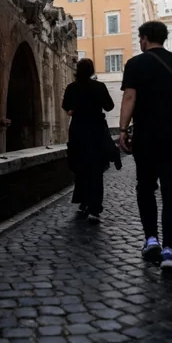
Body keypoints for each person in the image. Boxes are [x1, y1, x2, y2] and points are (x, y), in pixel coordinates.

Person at [118, 21, 172, 272]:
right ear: (163, 38)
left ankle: (151, 238)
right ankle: (169, 251)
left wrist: (123, 129)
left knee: (145, 188)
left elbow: (130, 97)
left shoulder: (135, 64)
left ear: (144, 39)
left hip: (146, 137)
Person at [63, 58, 120, 222]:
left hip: (78, 131)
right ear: (92, 71)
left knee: (80, 167)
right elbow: (109, 106)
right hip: (95, 131)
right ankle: (95, 207)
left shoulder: (72, 87)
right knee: (96, 169)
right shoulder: (99, 87)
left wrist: (77, 109)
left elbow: (67, 109)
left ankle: (83, 201)